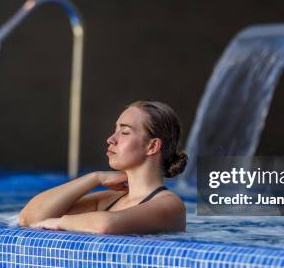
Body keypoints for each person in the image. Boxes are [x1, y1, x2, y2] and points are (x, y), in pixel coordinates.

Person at [18, 100, 187, 235]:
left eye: (125, 132)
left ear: (152, 146)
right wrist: (95, 178)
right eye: (115, 130)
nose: (111, 139)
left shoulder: (170, 204)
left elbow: (105, 225)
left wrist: (58, 222)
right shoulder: (110, 199)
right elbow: (29, 218)